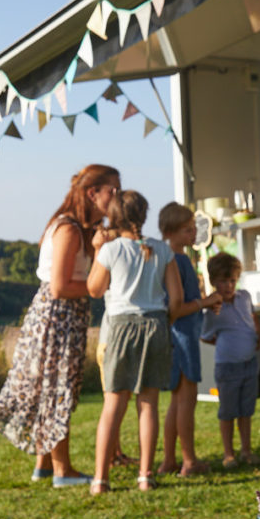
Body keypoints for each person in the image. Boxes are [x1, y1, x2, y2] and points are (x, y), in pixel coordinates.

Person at [0, 163, 119, 487]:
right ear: (93, 193)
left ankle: (44, 464)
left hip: (68, 317)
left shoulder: (82, 230)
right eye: (113, 190)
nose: (117, 196)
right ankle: (63, 471)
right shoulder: (67, 229)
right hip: (57, 317)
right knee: (57, 390)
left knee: (52, 388)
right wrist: (99, 288)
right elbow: (60, 287)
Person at [87, 190, 182, 494]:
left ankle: (100, 479)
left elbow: (94, 289)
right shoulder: (163, 251)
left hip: (121, 327)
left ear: (114, 218)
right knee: (149, 404)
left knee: (114, 404)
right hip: (155, 324)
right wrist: (165, 323)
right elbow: (176, 299)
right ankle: (145, 476)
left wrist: (97, 249)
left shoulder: (111, 250)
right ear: (144, 214)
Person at [156, 202, 222, 477]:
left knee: (175, 400)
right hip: (183, 337)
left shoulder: (161, 258)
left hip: (170, 339)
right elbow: (178, 307)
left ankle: (169, 460)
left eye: (193, 228)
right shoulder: (179, 260)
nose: (193, 234)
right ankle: (189, 461)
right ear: (171, 231)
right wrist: (206, 301)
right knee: (187, 400)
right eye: (187, 230)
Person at [201, 251, 260, 467]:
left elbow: (252, 316)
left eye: (232, 281)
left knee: (246, 410)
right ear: (214, 282)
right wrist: (225, 344)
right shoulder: (213, 310)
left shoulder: (244, 297)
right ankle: (229, 454)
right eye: (223, 282)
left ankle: (246, 450)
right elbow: (205, 335)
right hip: (227, 366)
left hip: (249, 363)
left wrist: (257, 334)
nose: (228, 286)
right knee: (228, 411)